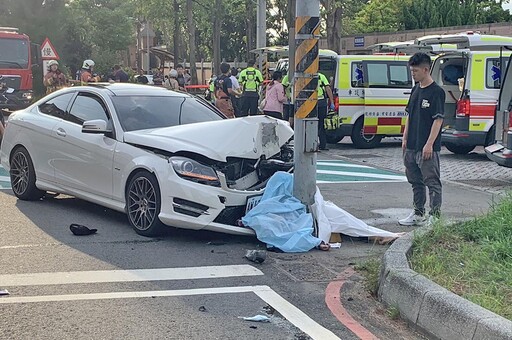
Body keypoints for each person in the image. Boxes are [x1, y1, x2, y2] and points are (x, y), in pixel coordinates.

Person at [399, 52, 445, 226]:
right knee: (415, 181)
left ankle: (435, 216)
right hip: (411, 144)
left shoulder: (437, 92)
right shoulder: (415, 89)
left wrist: (429, 144)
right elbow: (410, 114)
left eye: (416, 71)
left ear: (426, 70)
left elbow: (438, 119)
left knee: (432, 181)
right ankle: (418, 213)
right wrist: (405, 137)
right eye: (412, 71)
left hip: (427, 147)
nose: (413, 74)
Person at [317, 72, 335, 151]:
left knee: (312, 124)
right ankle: (322, 145)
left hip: (310, 103)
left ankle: (311, 144)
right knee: (322, 124)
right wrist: (332, 102)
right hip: (321, 103)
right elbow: (328, 89)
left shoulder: (307, 76)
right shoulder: (321, 76)